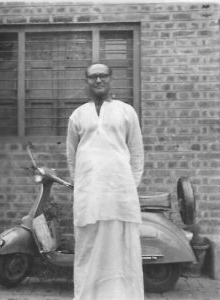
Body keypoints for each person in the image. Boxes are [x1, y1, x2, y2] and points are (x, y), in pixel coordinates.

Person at [66, 63, 144, 300]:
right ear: (87, 81)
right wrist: (80, 186)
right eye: (92, 77)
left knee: (121, 249)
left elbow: (137, 152)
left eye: (102, 76)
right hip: (89, 193)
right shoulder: (78, 115)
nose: (98, 80)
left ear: (110, 79)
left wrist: (129, 186)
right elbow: (71, 155)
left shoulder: (126, 111)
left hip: (119, 193)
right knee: (89, 247)